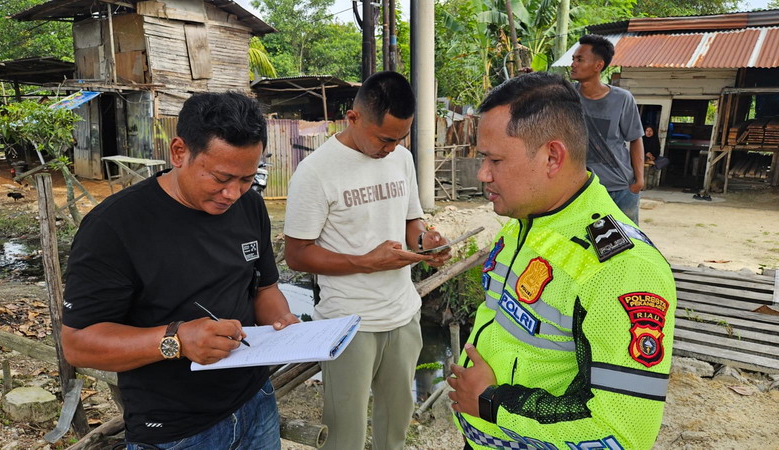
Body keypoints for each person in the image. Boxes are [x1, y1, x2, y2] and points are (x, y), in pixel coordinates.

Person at [447, 72, 676, 449]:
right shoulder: (524, 223)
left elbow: (622, 433)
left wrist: (492, 403)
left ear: (552, 157)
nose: (483, 174)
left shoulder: (622, 268)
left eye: (495, 159)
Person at [62, 92, 299, 449]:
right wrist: (177, 340)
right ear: (178, 152)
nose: (233, 193)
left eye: (247, 179)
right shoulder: (115, 227)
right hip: (175, 430)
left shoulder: (250, 206)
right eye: (221, 178)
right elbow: (78, 344)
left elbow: (265, 289)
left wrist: (283, 324)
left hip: (255, 401)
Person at [283, 71, 450, 450]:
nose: (391, 148)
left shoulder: (402, 159)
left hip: (404, 315)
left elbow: (412, 222)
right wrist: (367, 261)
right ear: (353, 118)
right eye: (384, 139)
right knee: (346, 436)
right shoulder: (315, 171)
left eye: (400, 138)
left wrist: (426, 241)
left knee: (395, 430)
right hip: (348, 324)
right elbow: (297, 255)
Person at [571, 34, 645, 224]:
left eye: (579, 59)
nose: (573, 64)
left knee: (626, 239)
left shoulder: (622, 98)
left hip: (620, 188)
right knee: (584, 240)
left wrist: (639, 181)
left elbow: (635, 138)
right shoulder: (567, 95)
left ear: (598, 65)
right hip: (582, 189)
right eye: (573, 59)